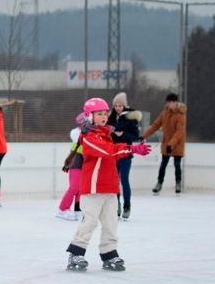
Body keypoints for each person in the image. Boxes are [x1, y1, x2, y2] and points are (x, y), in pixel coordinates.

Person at [66, 97, 150, 272]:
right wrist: (131, 148)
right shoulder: (88, 137)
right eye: (99, 114)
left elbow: (114, 153)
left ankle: (109, 253)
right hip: (93, 188)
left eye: (105, 113)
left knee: (111, 223)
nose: (104, 117)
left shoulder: (106, 135)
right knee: (89, 222)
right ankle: (76, 253)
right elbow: (107, 151)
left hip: (110, 187)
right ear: (90, 116)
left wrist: (130, 149)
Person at [141, 92, 187, 194]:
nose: (168, 105)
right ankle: (159, 183)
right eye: (167, 103)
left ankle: (178, 183)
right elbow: (155, 125)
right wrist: (144, 136)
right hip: (167, 143)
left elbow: (179, 132)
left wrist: (172, 144)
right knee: (163, 164)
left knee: (177, 164)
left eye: (170, 103)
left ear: (175, 103)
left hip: (177, 143)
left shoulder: (181, 115)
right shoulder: (164, 113)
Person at [107, 91, 142, 219]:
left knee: (124, 180)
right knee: (114, 181)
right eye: (116, 105)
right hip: (113, 153)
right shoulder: (110, 118)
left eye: (120, 105)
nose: (118, 108)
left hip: (126, 153)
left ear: (124, 105)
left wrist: (123, 135)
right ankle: (116, 205)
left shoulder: (130, 118)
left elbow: (135, 136)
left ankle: (127, 206)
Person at [56, 115, 84, 220]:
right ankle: (62, 209)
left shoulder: (90, 134)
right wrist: (68, 163)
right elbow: (74, 149)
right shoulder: (77, 133)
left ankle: (78, 210)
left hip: (84, 163)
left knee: (81, 189)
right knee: (74, 187)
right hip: (76, 163)